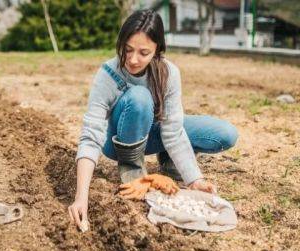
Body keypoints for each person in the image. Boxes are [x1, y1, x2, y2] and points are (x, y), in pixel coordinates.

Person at [68, 10, 238, 228]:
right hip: (118, 141)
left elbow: (173, 131)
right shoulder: (108, 74)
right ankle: (132, 168)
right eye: (127, 49)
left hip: (153, 132)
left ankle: (168, 160)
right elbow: (91, 135)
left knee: (225, 134)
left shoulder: (170, 73)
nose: (133, 59)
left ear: (158, 50)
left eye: (143, 52)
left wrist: (195, 180)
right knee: (140, 98)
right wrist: (81, 198)